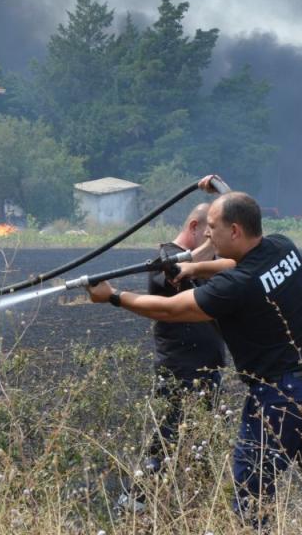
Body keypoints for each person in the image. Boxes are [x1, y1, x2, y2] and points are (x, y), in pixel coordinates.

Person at [88, 176, 302, 525]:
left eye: (213, 228)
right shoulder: (284, 247)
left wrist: (114, 297)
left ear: (235, 231)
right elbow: (240, 262)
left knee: (251, 492)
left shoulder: (235, 288)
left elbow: (170, 309)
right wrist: (193, 266)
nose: (208, 236)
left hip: (278, 396)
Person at [120, 203, 227, 510]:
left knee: (203, 443)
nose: (212, 238)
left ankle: (197, 509)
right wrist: (212, 242)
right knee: (165, 440)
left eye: (215, 231)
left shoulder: (206, 262)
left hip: (208, 369)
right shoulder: (164, 260)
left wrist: (222, 193)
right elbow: (177, 275)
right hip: (180, 369)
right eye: (208, 230)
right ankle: (132, 504)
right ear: (194, 227)